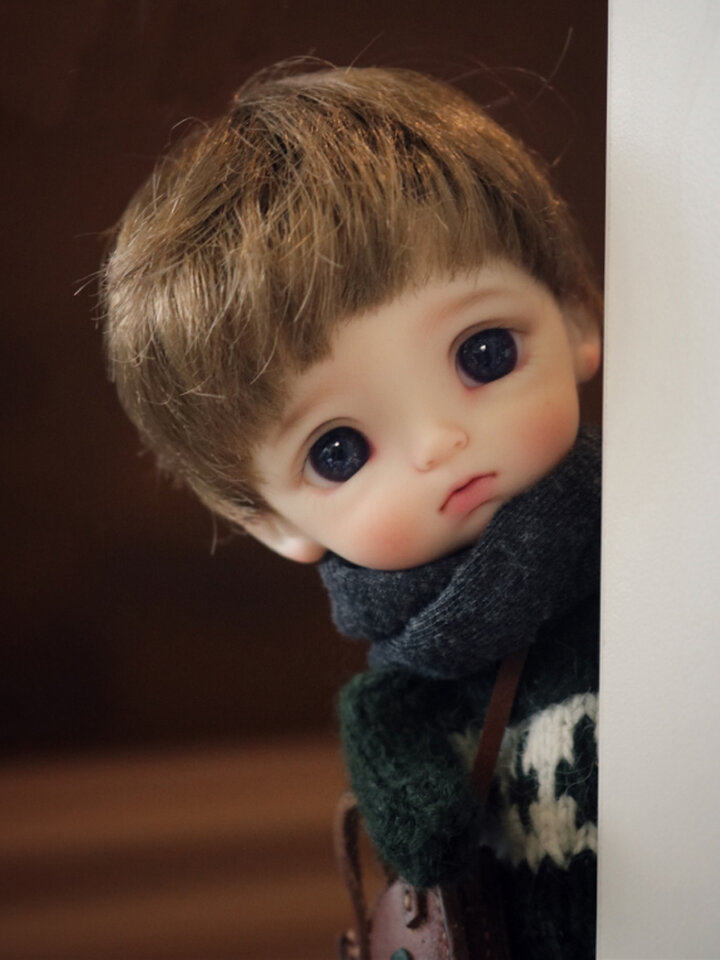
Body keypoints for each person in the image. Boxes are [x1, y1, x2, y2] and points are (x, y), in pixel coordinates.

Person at [102, 62, 602, 958]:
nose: (440, 442)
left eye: (485, 353)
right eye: (339, 450)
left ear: (575, 316)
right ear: (272, 521)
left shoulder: (662, 541)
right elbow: (414, 805)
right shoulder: (403, 699)